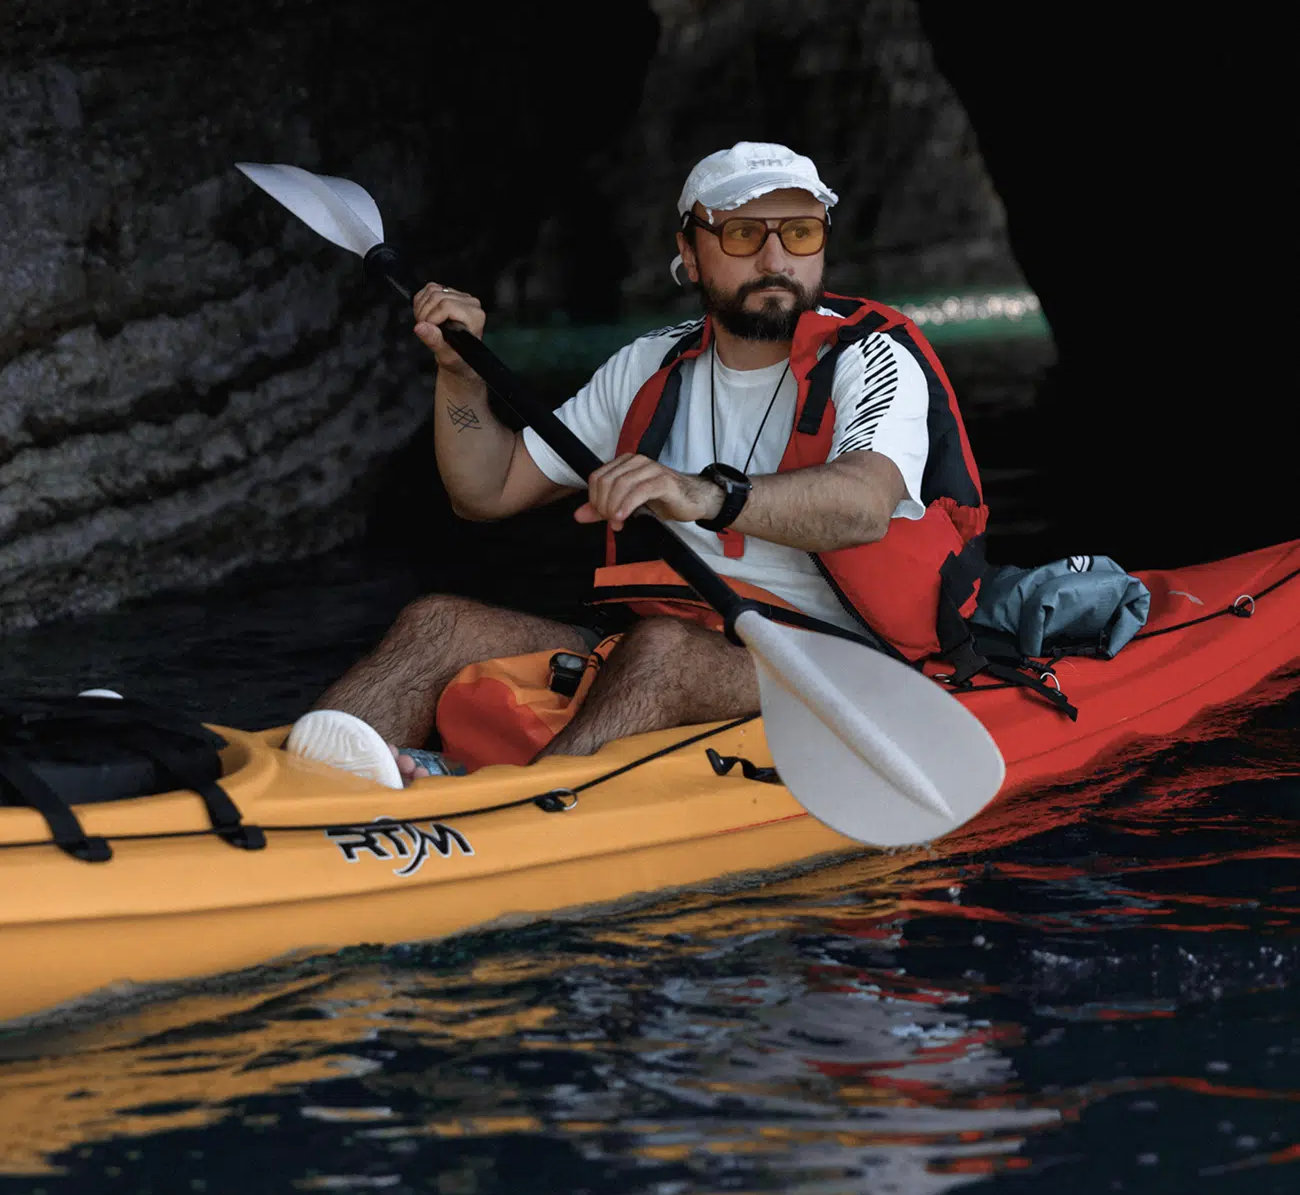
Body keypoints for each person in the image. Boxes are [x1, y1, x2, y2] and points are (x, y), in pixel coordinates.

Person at [287, 142, 988, 788]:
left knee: (662, 652)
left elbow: (864, 505)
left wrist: (706, 495)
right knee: (438, 623)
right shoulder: (649, 365)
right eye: (744, 235)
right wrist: (458, 374)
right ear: (689, 250)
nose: (776, 260)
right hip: (670, 645)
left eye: (800, 234)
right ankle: (295, 793)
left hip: (839, 665)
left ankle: (517, 816)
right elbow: (488, 490)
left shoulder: (870, 356)